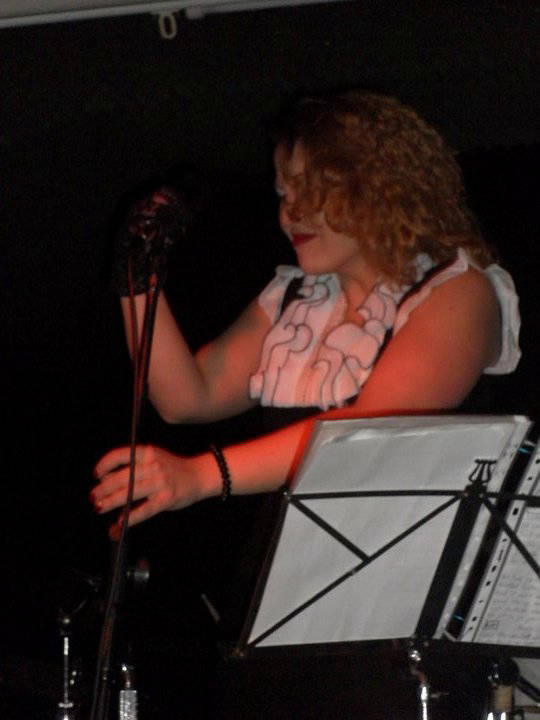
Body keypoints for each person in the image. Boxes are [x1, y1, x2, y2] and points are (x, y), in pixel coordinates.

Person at [90, 90, 521, 540]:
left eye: (310, 191)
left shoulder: (457, 290)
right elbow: (187, 398)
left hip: (416, 567)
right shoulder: (297, 299)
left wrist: (200, 475)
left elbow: (370, 431)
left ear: (379, 189)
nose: (289, 214)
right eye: (284, 193)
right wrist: (137, 277)